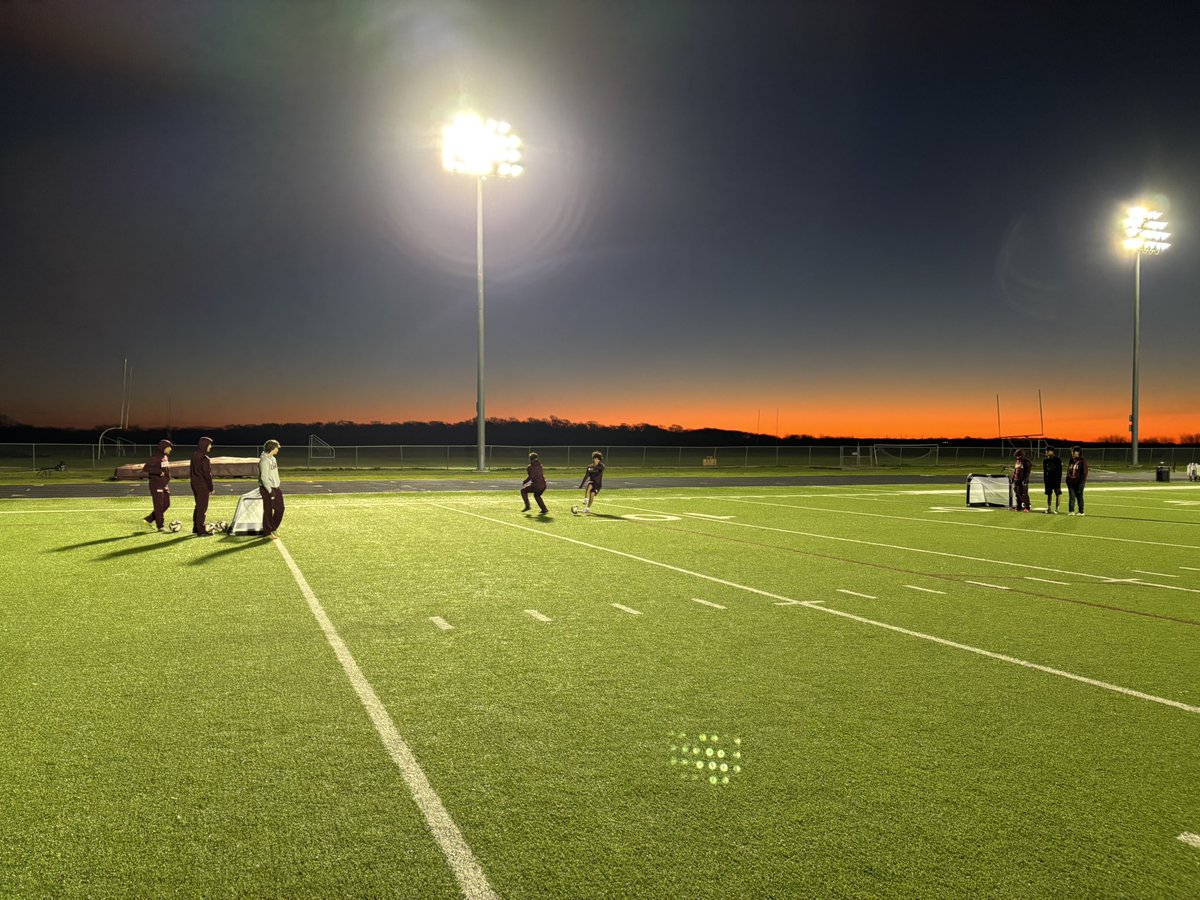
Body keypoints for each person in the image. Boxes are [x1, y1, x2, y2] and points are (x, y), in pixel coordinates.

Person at [142, 439, 174, 531]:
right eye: (169, 447)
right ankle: (160, 526)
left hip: (164, 484)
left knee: (166, 504)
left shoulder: (165, 456)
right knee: (159, 506)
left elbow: (166, 470)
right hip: (156, 484)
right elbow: (146, 468)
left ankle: (149, 519)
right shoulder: (155, 457)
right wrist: (158, 472)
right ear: (163, 448)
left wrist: (168, 477)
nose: (170, 449)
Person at [259, 439, 284, 538]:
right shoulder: (264, 461)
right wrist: (270, 491)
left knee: (280, 509)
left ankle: (272, 528)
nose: (278, 449)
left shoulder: (273, 459)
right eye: (277, 447)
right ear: (273, 448)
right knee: (268, 510)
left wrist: (277, 484)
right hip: (267, 489)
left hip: (276, 488)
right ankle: (267, 532)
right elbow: (264, 478)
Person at [190, 436, 215, 536]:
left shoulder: (194, 455)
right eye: (209, 445)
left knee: (198, 507)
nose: (210, 447)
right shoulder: (204, 458)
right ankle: (201, 530)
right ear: (204, 445)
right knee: (202, 508)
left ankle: (196, 527)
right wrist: (211, 487)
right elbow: (207, 475)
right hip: (202, 485)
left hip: (194, 484)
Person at [572, 451, 605, 516]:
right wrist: (581, 485)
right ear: (593, 459)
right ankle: (585, 499)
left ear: (599, 460)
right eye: (595, 458)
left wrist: (591, 468)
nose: (596, 460)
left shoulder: (601, 466)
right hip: (592, 482)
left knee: (592, 495)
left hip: (598, 484)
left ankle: (587, 508)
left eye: (597, 459)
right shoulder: (589, 466)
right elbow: (586, 476)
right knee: (589, 484)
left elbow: (598, 468)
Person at [1066, 446, 1088, 516]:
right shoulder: (1071, 460)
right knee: (1071, 497)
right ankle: (1071, 511)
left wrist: (1081, 483)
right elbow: (1068, 470)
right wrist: (1067, 479)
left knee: (1079, 497)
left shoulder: (1083, 461)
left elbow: (1084, 473)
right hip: (1071, 482)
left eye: (1073, 451)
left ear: (1078, 452)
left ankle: (1081, 511)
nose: (1072, 453)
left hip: (1078, 483)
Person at [1042, 446, 1063, 514]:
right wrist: (1045, 480)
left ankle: (1057, 508)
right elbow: (1045, 471)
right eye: (1046, 451)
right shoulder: (1045, 461)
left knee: (1058, 494)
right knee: (1049, 494)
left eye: (1048, 451)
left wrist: (1058, 480)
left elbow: (1060, 471)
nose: (1046, 452)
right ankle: (1049, 508)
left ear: (1052, 452)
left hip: (1056, 480)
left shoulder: (1057, 460)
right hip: (1048, 480)